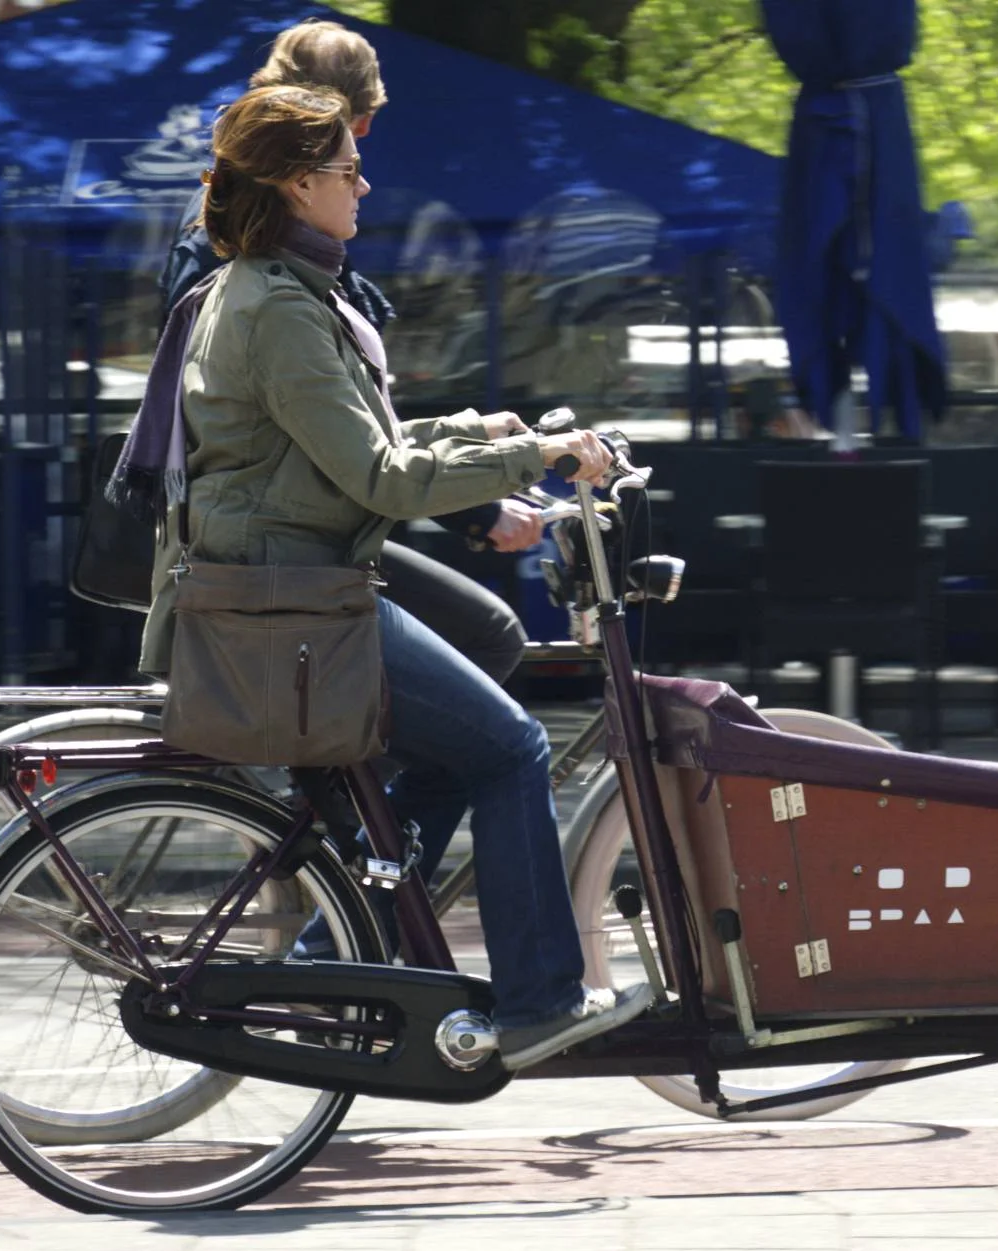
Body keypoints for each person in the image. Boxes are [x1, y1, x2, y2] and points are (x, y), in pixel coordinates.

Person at [133, 83, 648, 1069]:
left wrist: (490, 429)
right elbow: (378, 477)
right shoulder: (276, 304)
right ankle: (540, 1000)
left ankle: (339, 956)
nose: (364, 184)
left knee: (458, 752)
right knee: (511, 749)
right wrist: (533, 460)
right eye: (346, 169)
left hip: (296, 588)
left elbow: (341, 446)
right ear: (295, 183)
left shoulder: (273, 286)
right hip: (294, 602)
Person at [158, 19, 543, 688]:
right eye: (351, 147)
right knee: (492, 664)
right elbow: (316, 425)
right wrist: (492, 489)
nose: (362, 179)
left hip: (285, 516)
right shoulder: (268, 266)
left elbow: (332, 414)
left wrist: (473, 438)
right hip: (272, 539)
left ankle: (346, 787)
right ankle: (347, 790)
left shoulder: (277, 242)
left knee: (478, 642)